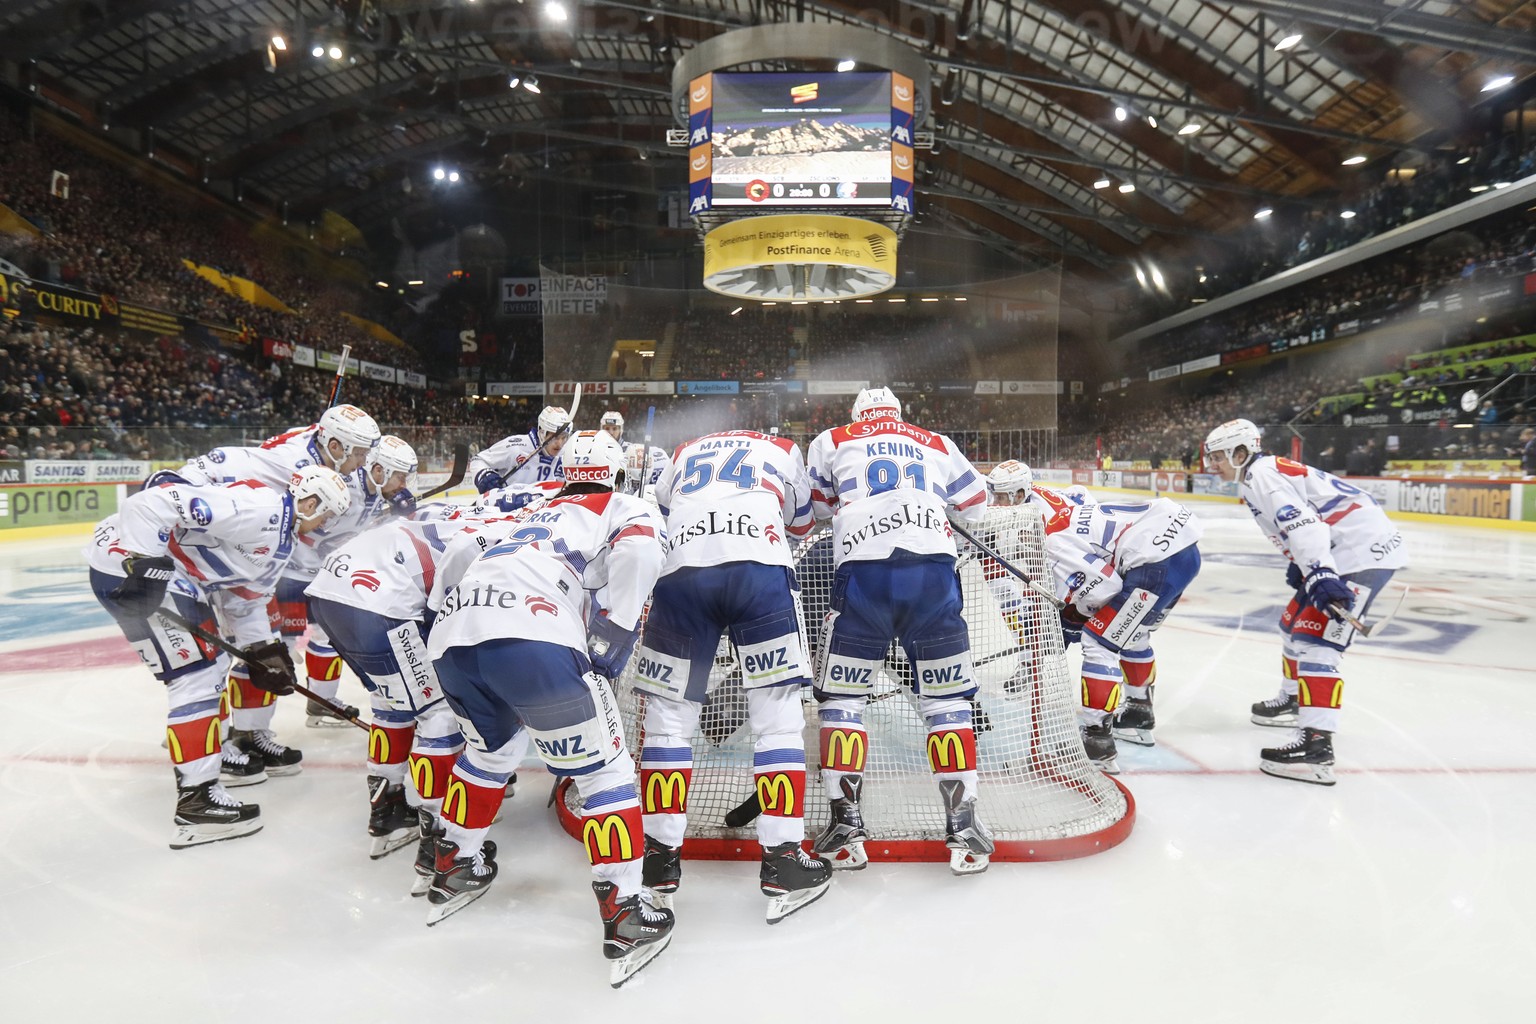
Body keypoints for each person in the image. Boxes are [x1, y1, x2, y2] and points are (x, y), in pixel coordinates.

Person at [424, 430, 674, 986]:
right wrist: (614, 637)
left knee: (491, 751)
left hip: (454, 636)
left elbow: (461, 549)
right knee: (605, 770)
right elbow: (638, 550)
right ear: (614, 471)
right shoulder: (625, 502)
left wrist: (444, 612)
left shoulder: (531, 498)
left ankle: (455, 862)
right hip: (532, 632)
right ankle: (625, 910)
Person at [85, 466, 352, 848]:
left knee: (208, 672)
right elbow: (152, 501)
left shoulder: (281, 538)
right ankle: (197, 801)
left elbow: (244, 601)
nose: (326, 524)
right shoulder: (260, 506)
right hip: (128, 569)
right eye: (326, 513)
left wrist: (265, 654)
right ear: (310, 502)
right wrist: (142, 562)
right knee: (197, 677)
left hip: (161, 578)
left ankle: (201, 790)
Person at [629, 427, 829, 923]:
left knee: (668, 725)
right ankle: (782, 858)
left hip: (682, 575)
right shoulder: (782, 448)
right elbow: (801, 524)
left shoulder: (685, 449)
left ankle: (658, 859)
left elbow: (662, 505)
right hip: (758, 572)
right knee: (778, 723)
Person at [804, 386, 995, 875]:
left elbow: (819, 507)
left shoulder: (832, 437)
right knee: (947, 702)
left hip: (863, 572)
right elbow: (976, 502)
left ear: (858, 414)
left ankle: (845, 828)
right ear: (898, 414)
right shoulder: (934, 440)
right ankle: (964, 828)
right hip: (933, 573)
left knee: (842, 701)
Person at [147, 406, 381, 759]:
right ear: (335, 446)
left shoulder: (321, 460)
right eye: (360, 453)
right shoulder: (287, 461)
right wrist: (173, 496)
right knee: (219, 662)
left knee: (264, 652)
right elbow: (213, 464)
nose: (362, 462)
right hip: (213, 562)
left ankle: (246, 733)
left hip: (255, 567)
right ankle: (216, 741)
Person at [306, 508, 517, 881]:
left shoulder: (462, 517)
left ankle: (387, 807)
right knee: (440, 712)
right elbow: (460, 576)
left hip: (329, 596)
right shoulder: (505, 536)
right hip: (379, 606)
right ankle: (436, 835)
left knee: (392, 704)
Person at [1204, 418, 1408, 785]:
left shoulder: (1262, 475)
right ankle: (1295, 698)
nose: (1211, 465)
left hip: (1360, 554)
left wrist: (1319, 572)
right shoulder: (1259, 474)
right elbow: (1304, 522)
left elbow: (1305, 525)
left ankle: (1316, 744)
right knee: (1291, 624)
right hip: (1345, 548)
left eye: (1218, 456)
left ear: (1240, 452)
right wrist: (1305, 565)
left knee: (1317, 642)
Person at [1043, 497, 1203, 773]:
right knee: (1133, 634)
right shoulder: (1070, 505)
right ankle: (1138, 711)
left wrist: (1072, 623)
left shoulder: (1053, 540)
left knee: (1097, 641)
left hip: (1154, 562)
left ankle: (1096, 739)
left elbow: (1103, 589)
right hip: (1185, 551)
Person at [276, 434, 419, 732]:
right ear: (379, 471)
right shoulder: (344, 489)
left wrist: (391, 513)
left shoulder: (372, 490)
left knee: (325, 636)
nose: (404, 484)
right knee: (275, 652)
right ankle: (240, 730)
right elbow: (313, 534)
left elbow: (351, 532)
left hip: (315, 574)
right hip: (290, 574)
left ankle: (321, 701)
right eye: (401, 477)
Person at [467, 405, 572, 496]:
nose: (560, 444)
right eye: (555, 437)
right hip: (508, 510)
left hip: (542, 514)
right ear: (542, 432)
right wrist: (485, 476)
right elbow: (478, 459)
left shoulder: (567, 455)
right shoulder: (515, 447)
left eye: (564, 437)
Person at [601, 410, 669, 497]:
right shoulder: (597, 450)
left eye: (614, 428)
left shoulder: (630, 450)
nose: (610, 432)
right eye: (607, 428)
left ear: (620, 430)